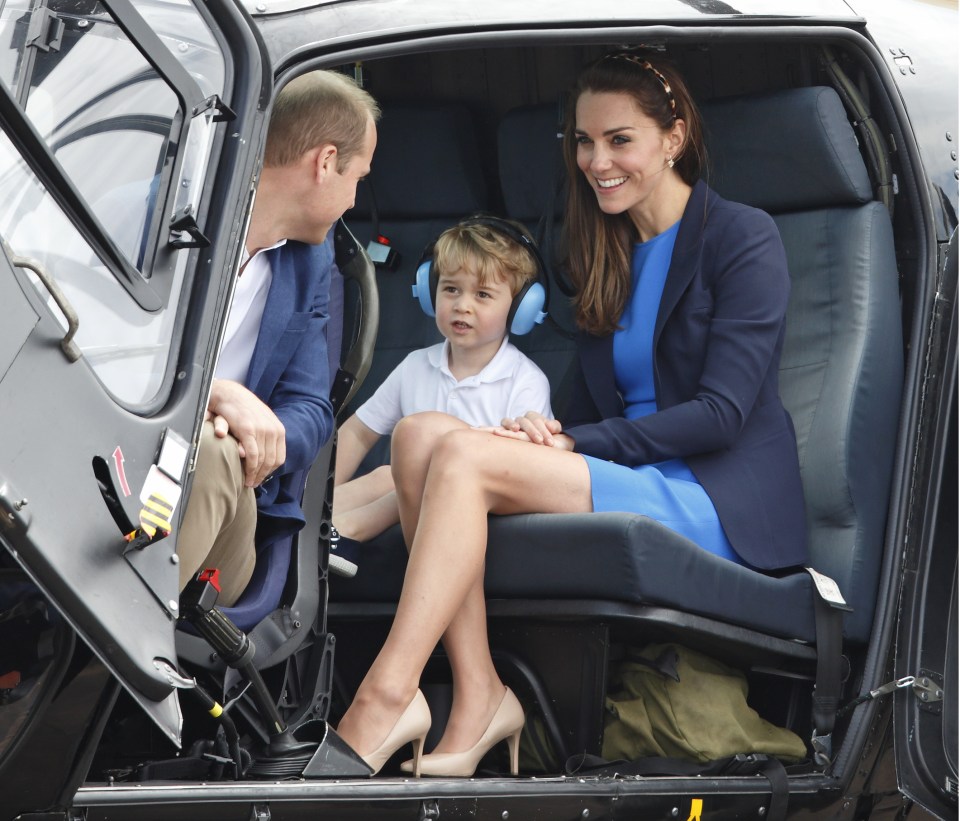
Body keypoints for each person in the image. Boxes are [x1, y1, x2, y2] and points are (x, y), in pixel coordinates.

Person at [334, 51, 807, 778]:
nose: (596, 160)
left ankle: (386, 694)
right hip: (622, 471)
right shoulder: (604, 251)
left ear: (672, 135)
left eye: (619, 139)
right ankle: (479, 691)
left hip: (711, 496)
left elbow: (720, 414)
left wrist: (569, 441)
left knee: (458, 453)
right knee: (423, 432)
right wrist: (543, 432)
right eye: (583, 142)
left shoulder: (742, 237)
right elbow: (582, 410)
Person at [175, 70, 380, 606]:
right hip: (113, 455)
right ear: (325, 162)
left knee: (216, 452)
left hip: (228, 497)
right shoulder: (166, 218)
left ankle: (102, 651)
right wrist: (216, 394)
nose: (354, 201)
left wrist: (259, 435)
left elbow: (312, 409)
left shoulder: (311, 263)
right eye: (357, 177)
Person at [329, 217, 553, 577]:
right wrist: (314, 490)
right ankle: (311, 526)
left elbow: (525, 471)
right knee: (387, 474)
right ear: (429, 291)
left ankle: (347, 531)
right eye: (451, 289)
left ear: (521, 308)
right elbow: (357, 433)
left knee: (410, 472)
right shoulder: (415, 366)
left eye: (482, 294)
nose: (463, 305)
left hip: (479, 508)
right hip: (415, 502)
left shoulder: (525, 381)